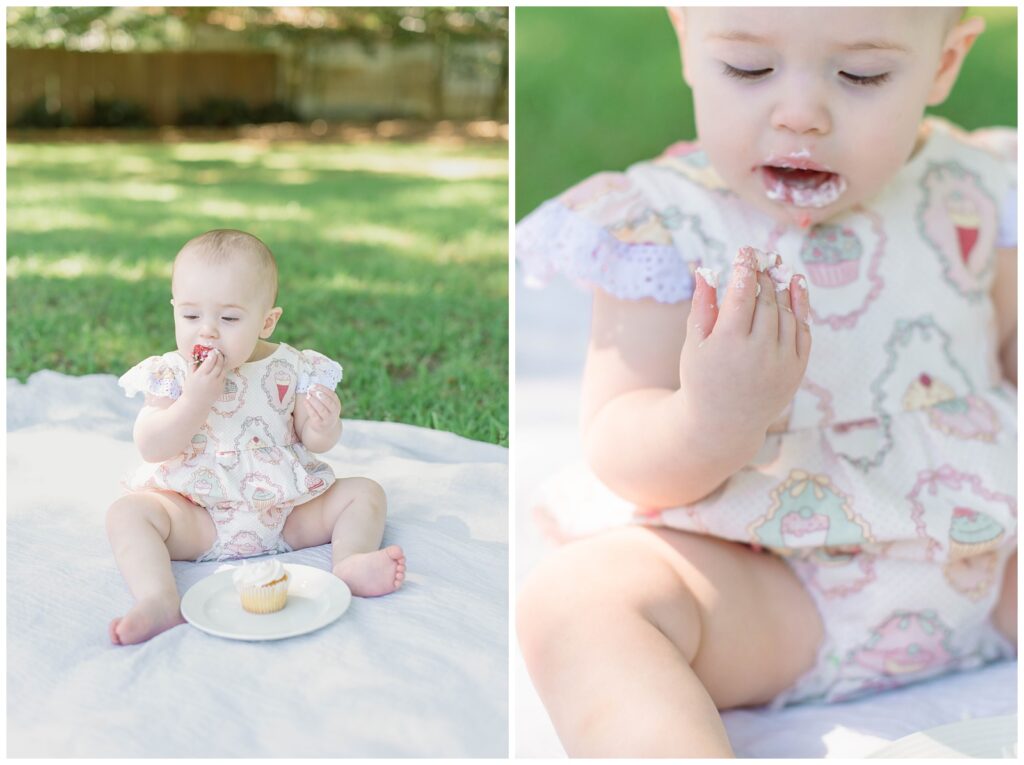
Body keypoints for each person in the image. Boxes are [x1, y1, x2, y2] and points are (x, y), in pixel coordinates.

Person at [516, 7, 1016, 757]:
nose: (799, 114)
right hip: (767, 587)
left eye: (862, 75)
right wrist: (713, 415)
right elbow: (620, 442)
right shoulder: (661, 223)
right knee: (576, 601)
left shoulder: (980, 189)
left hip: (985, 559)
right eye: (749, 69)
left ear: (946, 63)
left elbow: (1006, 352)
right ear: (687, 41)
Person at [107, 229, 406, 646]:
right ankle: (159, 598)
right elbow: (152, 445)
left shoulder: (292, 367)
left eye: (229, 319)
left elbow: (314, 440)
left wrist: (324, 424)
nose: (207, 333)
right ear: (175, 310)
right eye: (191, 316)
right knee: (129, 514)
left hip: (285, 512)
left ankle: (350, 562)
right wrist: (193, 401)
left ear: (266, 321)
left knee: (365, 493)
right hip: (199, 516)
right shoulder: (172, 373)